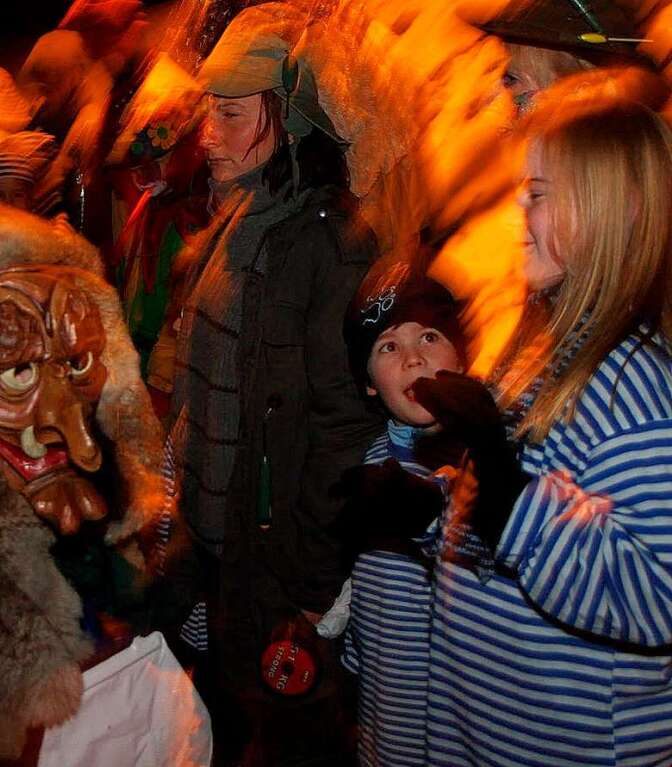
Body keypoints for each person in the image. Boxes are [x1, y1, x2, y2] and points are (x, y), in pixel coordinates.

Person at [414, 101, 672, 766]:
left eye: (538, 196)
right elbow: (516, 518)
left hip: (573, 744)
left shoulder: (633, 389)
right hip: (496, 729)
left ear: (616, 211)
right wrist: (432, 508)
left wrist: (509, 498)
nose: (517, 218)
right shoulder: (543, 352)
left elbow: (658, 591)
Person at [160, 4, 381, 764]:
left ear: (286, 119)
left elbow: (342, 428)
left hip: (276, 568)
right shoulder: (241, 216)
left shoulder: (330, 242)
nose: (207, 136)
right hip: (218, 549)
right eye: (206, 114)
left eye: (228, 115)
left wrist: (313, 592)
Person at [320, 260, 466, 767]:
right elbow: (367, 587)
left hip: (459, 732)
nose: (412, 360)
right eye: (388, 347)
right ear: (367, 382)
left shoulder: (487, 469)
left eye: (429, 337)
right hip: (386, 726)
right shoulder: (372, 463)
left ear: (463, 353)